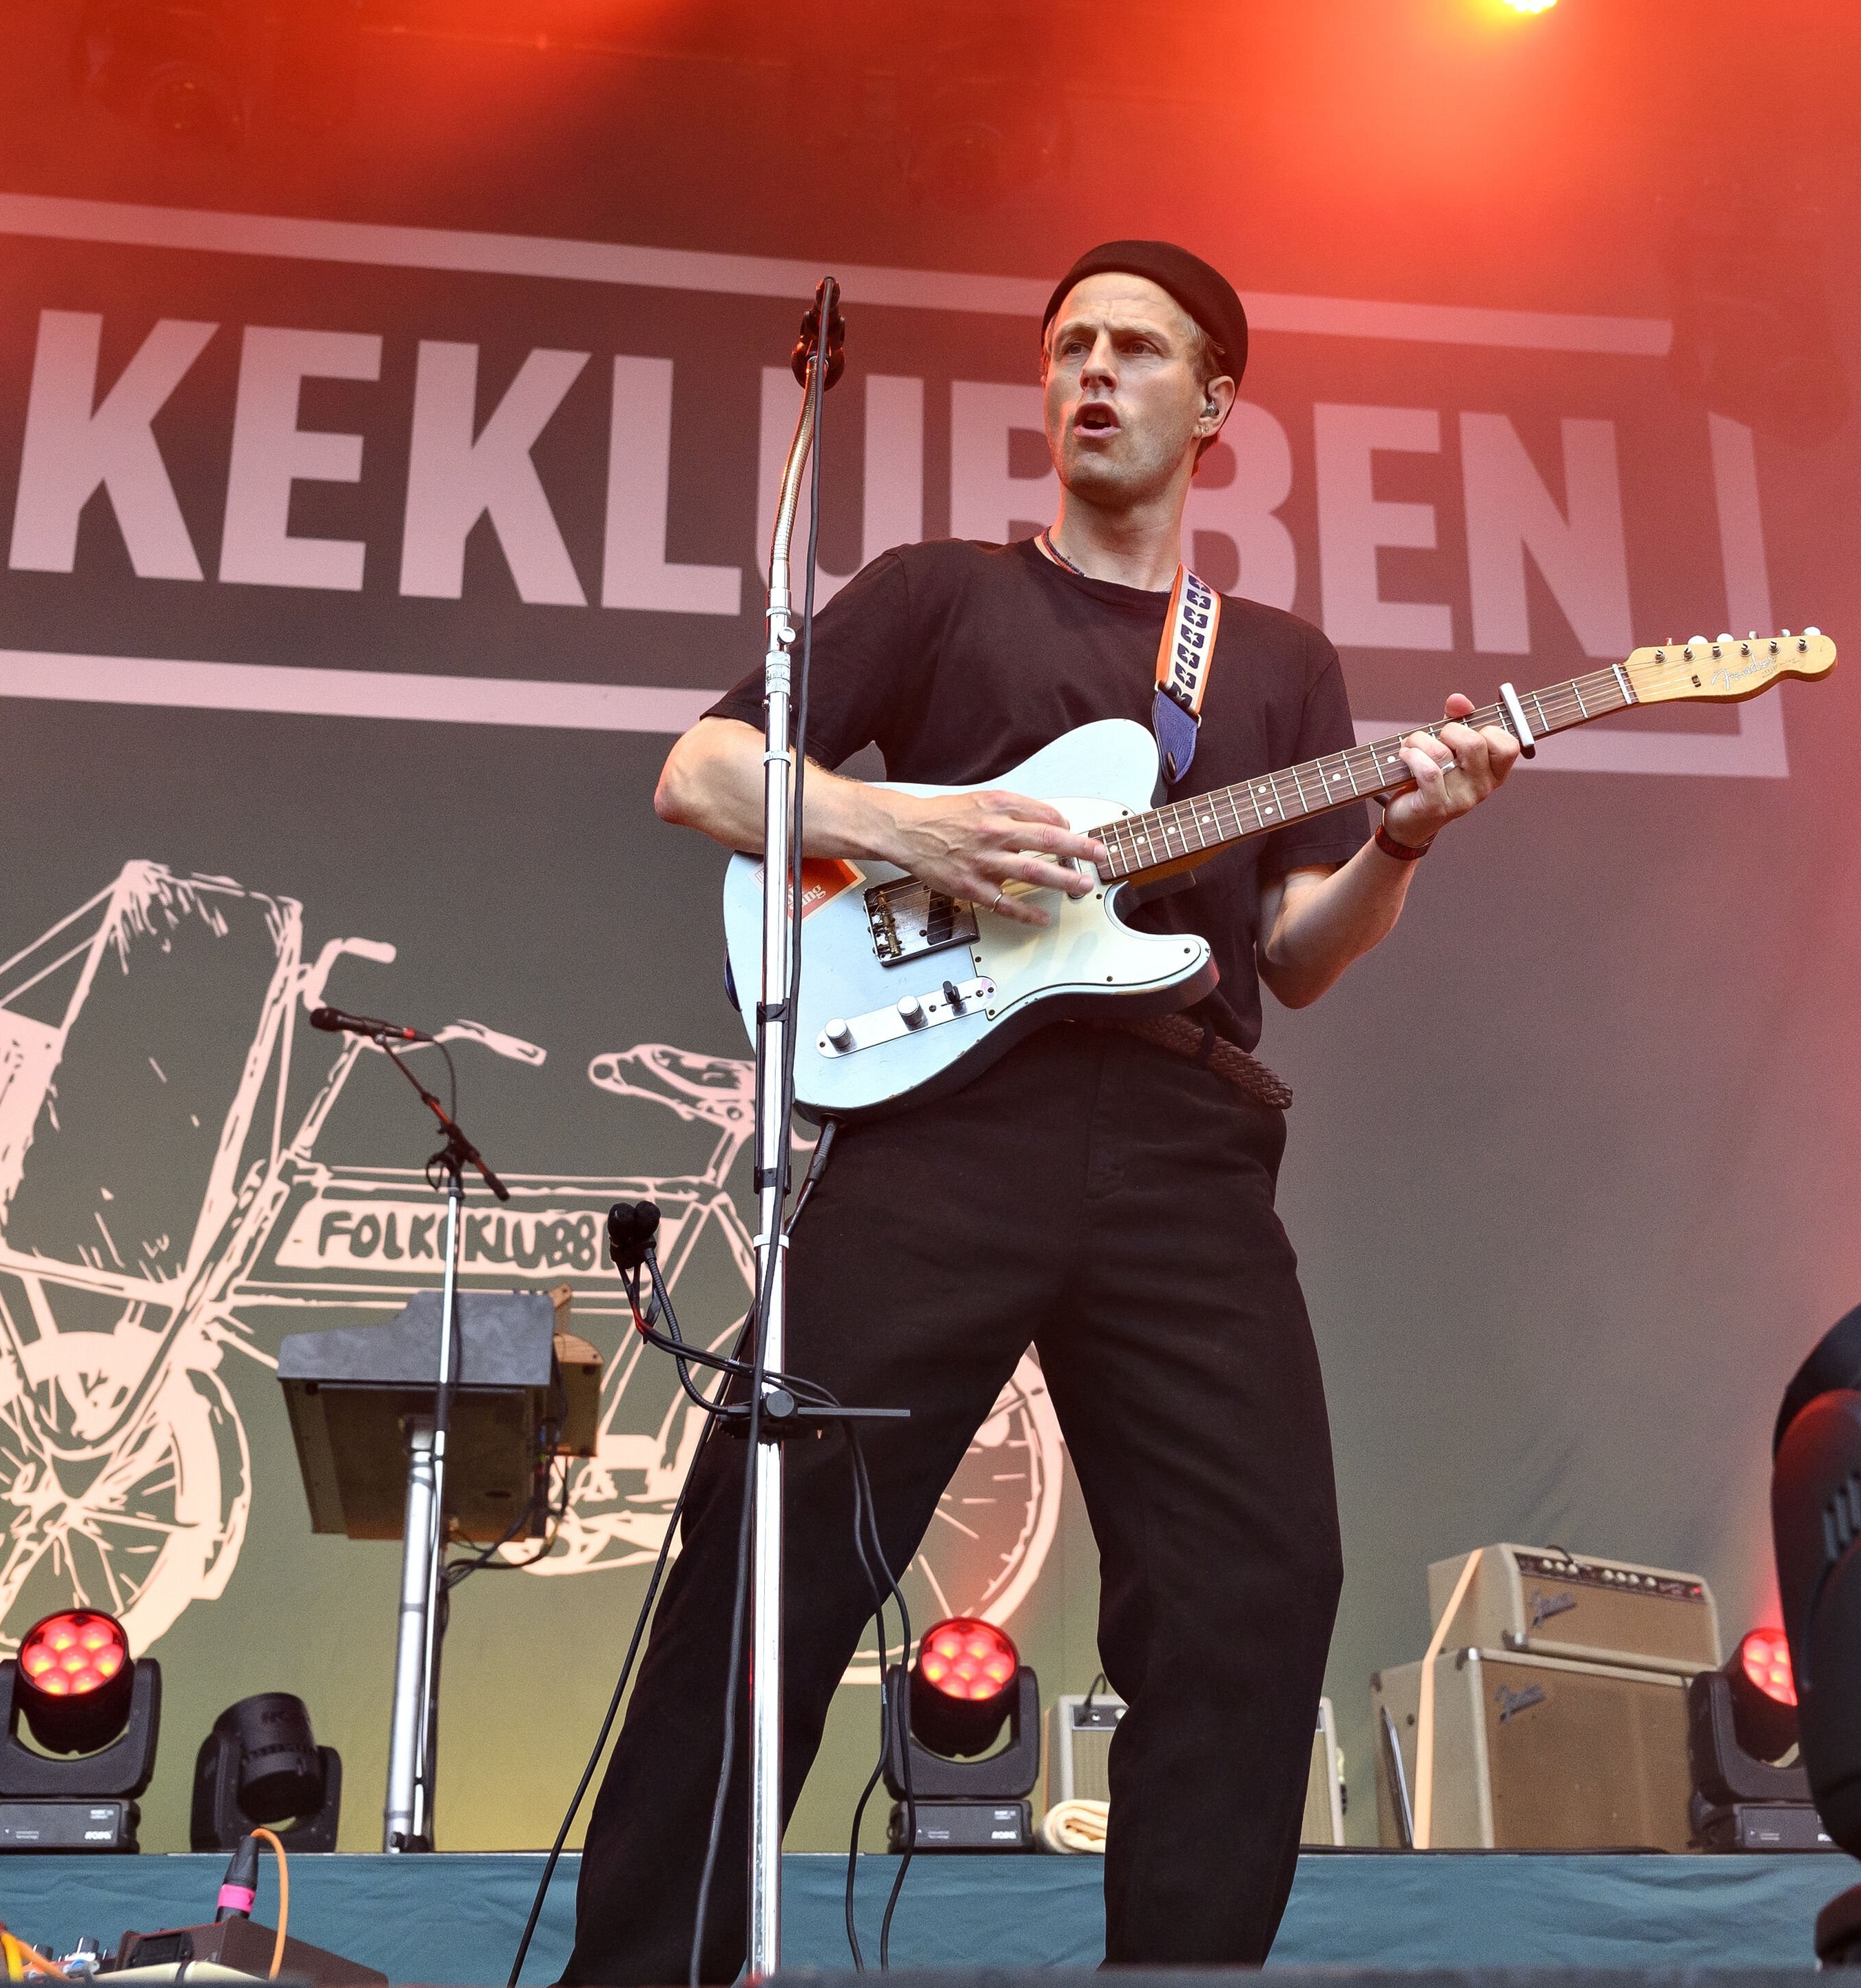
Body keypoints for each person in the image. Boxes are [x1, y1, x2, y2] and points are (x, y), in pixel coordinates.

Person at [560, 239, 1525, 1980]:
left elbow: (1296, 957)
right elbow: (700, 773)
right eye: (1071, 344)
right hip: (947, 1131)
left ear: (1214, 403)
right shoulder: (940, 595)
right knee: (767, 1553)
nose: (1092, 372)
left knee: (1252, 1585)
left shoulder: (1278, 662)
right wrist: (916, 826)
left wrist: (1403, 838)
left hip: (1181, 1144)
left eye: (1137, 350)